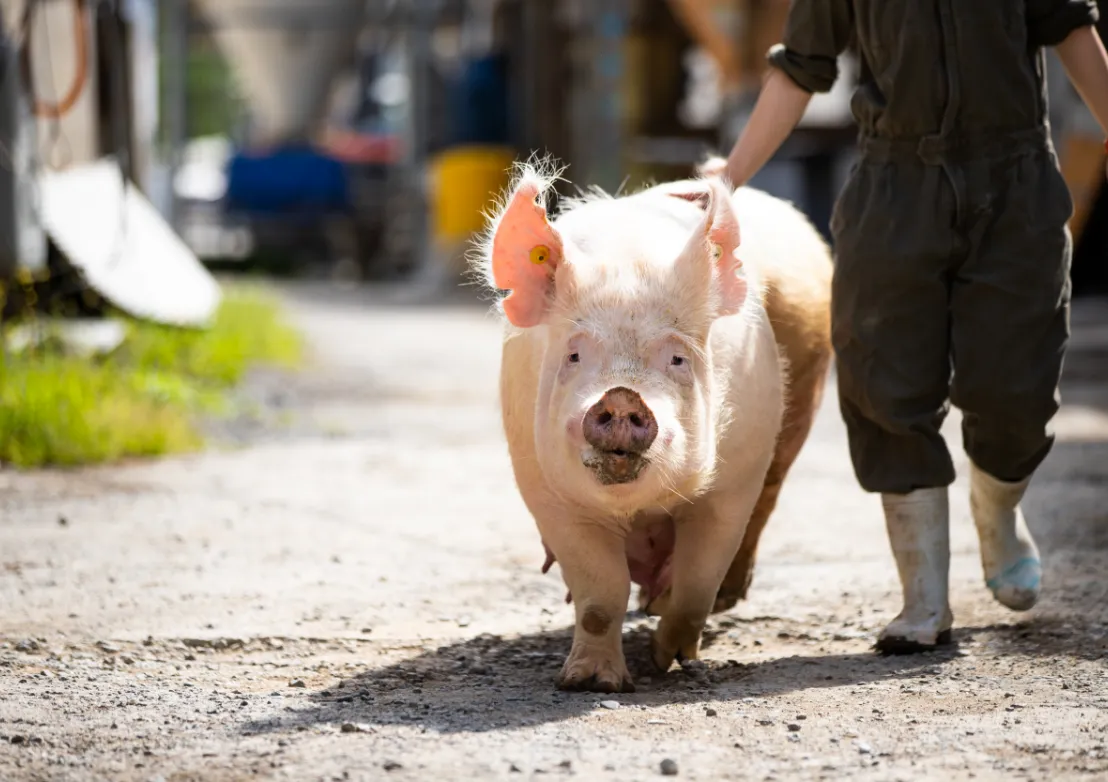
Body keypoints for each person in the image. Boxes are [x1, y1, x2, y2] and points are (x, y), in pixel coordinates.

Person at [712, 1, 1108, 654]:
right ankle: (923, 598)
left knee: (1016, 385)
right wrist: (728, 180)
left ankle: (998, 507)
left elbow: (1073, 29)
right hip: (893, 186)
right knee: (885, 382)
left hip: (1013, 184)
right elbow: (800, 67)